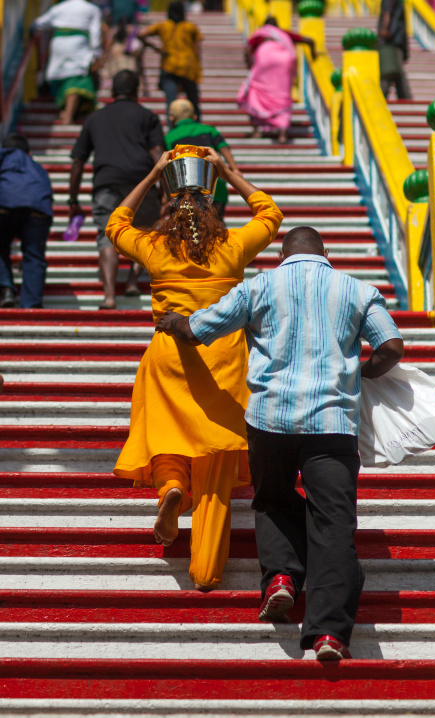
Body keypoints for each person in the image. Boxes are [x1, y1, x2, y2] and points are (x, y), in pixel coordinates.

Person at [156, 226, 404, 659]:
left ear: (282, 254)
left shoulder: (260, 285)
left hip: (270, 420)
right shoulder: (358, 290)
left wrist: (176, 321)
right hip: (332, 424)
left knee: (271, 499)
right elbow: (392, 347)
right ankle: (328, 634)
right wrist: (360, 374)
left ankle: (282, 578)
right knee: (333, 525)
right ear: (326, 251)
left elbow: (200, 329)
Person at [104, 145, 283, 591]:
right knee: (216, 464)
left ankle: (169, 487)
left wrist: (152, 173)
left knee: (166, 433)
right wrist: (228, 170)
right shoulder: (231, 248)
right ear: (213, 210)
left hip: (170, 357)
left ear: (169, 210)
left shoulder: (155, 248)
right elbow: (270, 214)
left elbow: (114, 224)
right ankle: (206, 570)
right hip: (223, 359)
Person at [70, 69, 165, 309]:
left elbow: (78, 161)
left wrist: (73, 200)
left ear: (112, 91)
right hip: (141, 184)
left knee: (106, 237)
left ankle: (110, 295)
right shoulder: (148, 116)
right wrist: (167, 189)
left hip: (106, 183)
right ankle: (133, 281)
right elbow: (157, 153)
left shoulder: (95, 118)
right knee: (144, 234)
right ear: (136, 92)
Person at [238, 16, 315, 145]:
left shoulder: (261, 33)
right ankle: (282, 135)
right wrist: (314, 55)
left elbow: (247, 51)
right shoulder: (283, 34)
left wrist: (252, 68)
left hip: (265, 59)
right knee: (283, 96)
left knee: (254, 92)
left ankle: (257, 131)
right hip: (284, 63)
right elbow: (309, 40)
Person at [165, 98, 242, 220]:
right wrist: (235, 169)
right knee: (217, 222)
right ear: (194, 117)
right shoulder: (209, 130)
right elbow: (223, 147)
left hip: (187, 189)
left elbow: (168, 164)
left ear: (171, 118)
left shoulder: (170, 137)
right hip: (215, 184)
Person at [0, 134, 53, 309]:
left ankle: (6, 288)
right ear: (29, 152)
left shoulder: (3, 156)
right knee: (34, 256)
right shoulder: (37, 167)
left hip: (5, 204)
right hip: (38, 210)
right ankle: (31, 304)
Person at [32, 0, 103, 124]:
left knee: (63, 77)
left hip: (58, 43)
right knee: (77, 79)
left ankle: (65, 112)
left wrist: (32, 31)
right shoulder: (92, 9)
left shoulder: (59, 7)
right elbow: (95, 32)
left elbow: (39, 23)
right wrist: (96, 53)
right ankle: (69, 116)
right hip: (78, 43)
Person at [138, 1, 202, 121]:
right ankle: (197, 127)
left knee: (171, 103)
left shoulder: (163, 26)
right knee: (194, 102)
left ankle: (172, 130)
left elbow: (141, 34)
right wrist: (198, 69)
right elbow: (197, 50)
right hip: (188, 67)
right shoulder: (190, 27)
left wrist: (156, 48)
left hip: (169, 66)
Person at [378, 0, 412, 100]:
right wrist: (385, 29)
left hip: (392, 40)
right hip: (393, 39)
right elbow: (388, 12)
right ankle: (405, 99)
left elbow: (387, 12)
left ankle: (405, 99)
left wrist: (384, 29)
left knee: (392, 72)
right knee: (392, 72)